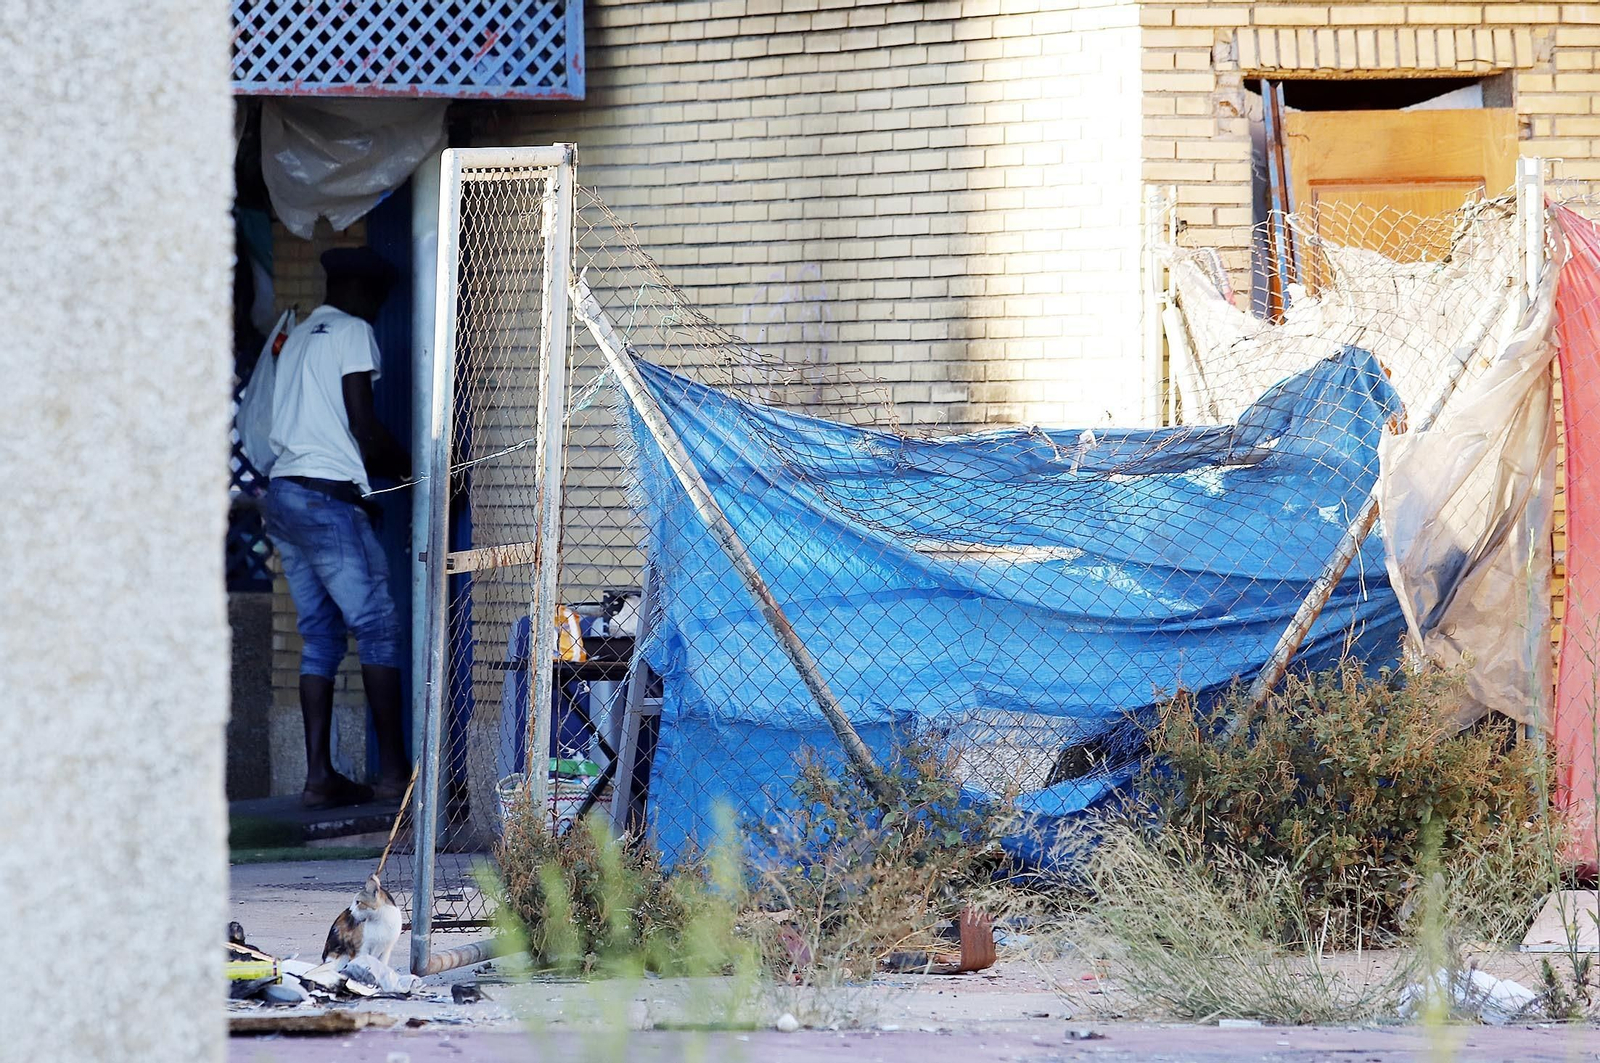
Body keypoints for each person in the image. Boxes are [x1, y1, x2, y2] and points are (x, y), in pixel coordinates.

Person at [265, 247, 412, 809]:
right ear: (364, 293)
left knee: (321, 638)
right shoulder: (353, 331)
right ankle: (396, 773)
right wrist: (416, 471)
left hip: (283, 495)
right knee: (377, 628)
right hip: (326, 501)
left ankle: (319, 778)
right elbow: (363, 424)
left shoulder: (297, 336)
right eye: (376, 298)